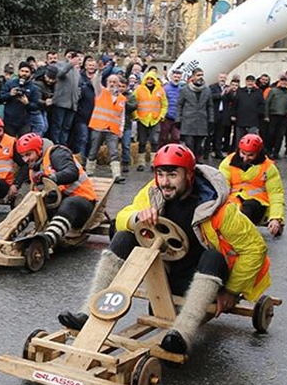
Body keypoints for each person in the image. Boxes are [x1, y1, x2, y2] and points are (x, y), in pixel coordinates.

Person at [57, 144, 271, 357]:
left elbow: (255, 248)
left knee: (213, 256)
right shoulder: (154, 191)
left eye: (172, 174)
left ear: (188, 174)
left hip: (205, 276)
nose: (165, 182)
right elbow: (123, 216)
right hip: (166, 272)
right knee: (123, 235)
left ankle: (182, 334)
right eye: (160, 174)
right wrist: (137, 217)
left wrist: (232, 291)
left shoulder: (218, 208)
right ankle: (88, 313)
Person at [12, 133, 97, 253]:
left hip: (82, 203)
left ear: (38, 150)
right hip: (57, 204)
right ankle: (8, 234)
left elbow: (72, 172)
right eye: (22, 156)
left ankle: (46, 241)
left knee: (69, 203)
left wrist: (52, 177)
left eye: (28, 154)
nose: (25, 159)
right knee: (29, 204)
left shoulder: (57, 153)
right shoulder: (33, 167)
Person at [218, 133, 285, 237]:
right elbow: (221, 188)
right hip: (233, 203)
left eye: (250, 155)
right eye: (243, 153)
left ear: (258, 153)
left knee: (249, 207)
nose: (245, 158)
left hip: (257, 205)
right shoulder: (227, 163)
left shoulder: (268, 167)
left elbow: (276, 194)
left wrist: (275, 218)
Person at [85, 71, 129, 184]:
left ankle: (116, 175)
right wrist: (99, 72)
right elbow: (95, 81)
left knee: (114, 152)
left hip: (112, 129)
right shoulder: (101, 92)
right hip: (99, 127)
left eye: (114, 82)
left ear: (118, 84)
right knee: (93, 150)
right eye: (110, 81)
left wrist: (121, 130)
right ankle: (89, 171)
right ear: (106, 82)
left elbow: (122, 116)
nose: (112, 84)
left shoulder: (122, 99)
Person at [131, 70, 167, 171]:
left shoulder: (160, 90)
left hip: (155, 119)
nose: (150, 81)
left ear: (155, 80)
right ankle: (141, 163)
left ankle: (153, 163)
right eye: (148, 79)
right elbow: (133, 102)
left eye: (152, 79)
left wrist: (161, 116)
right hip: (142, 119)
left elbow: (164, 105)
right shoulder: (139, 89)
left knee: (155, 141)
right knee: (142, 142)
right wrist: (135, 116)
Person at [0, 62, 42, 137]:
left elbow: (36, 106)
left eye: (26, 72)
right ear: (18, 71)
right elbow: (0, 98)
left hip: (25, 122)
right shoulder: (10, 84)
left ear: (30, 73)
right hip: (9, 121)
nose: (24, 74)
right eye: (22, 71)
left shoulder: (34, 88)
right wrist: (10, 94)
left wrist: (27, 103)